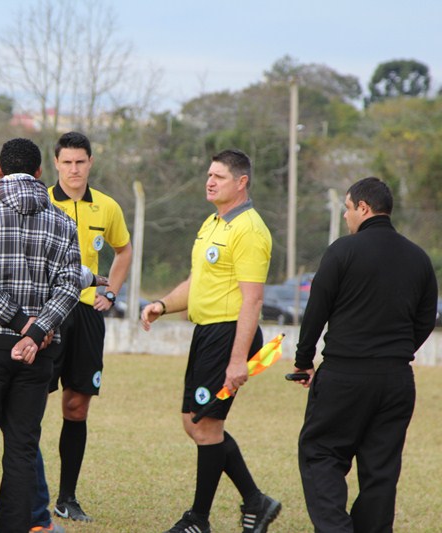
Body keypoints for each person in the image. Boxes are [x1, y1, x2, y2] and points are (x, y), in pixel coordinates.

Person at [141, 149, 280, 533]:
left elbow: (252, 299)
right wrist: (162, 304)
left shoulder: (250, 230)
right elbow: (197, 281)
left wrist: (238, 360)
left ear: (241, 182)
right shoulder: (213, 223)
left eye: (219, 176)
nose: (210, 181)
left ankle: (198, 520)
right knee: (196, 422)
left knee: (204, 425)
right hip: (207, 333)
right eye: (208, 174)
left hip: (229, 334)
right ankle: (255, 500)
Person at [291, 177, 437, 532]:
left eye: (347, 207)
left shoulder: (342, 251)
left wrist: (303, 360)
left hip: (344, 374)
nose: (345, 215)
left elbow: (317, 311)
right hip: (396, 380)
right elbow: (425, 320)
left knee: (321, 453)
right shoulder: (419, 258)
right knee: (381, 470)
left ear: (363, 208)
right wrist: (395, 352)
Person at [0, 138, 82, 533]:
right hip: (39, 354)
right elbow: (70, 286)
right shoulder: (64, 220)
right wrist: (37, 329)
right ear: (41, 173)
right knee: (22, 447)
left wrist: (18, 323)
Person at [43, 131, 132, 524]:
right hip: (47, 314)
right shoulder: (40, 202)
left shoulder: (108, 207)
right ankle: (23, 493)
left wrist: (110, 292)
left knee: (76, 405)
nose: (74, 169)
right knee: (27, 403)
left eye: (81, 162)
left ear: (90, 163)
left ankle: (66, 497)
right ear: (56, 164)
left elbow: (124, 250)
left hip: (87, 316)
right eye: (67, 162)